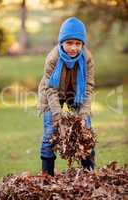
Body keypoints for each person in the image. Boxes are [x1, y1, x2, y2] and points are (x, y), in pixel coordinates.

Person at [37, 17, 95, 176]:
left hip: (77, 94)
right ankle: (47, 176)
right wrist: (58, 117)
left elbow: (89, 87)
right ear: (61, 42)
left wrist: (83, 115)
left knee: (86, 130)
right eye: (69, 43)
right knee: (50, 134)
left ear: (82, 44)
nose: (73, 48)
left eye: (78, 43)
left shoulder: (87, 58)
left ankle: (89, 174)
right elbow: (51, 89)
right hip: (51, 94)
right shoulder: (52, 58)